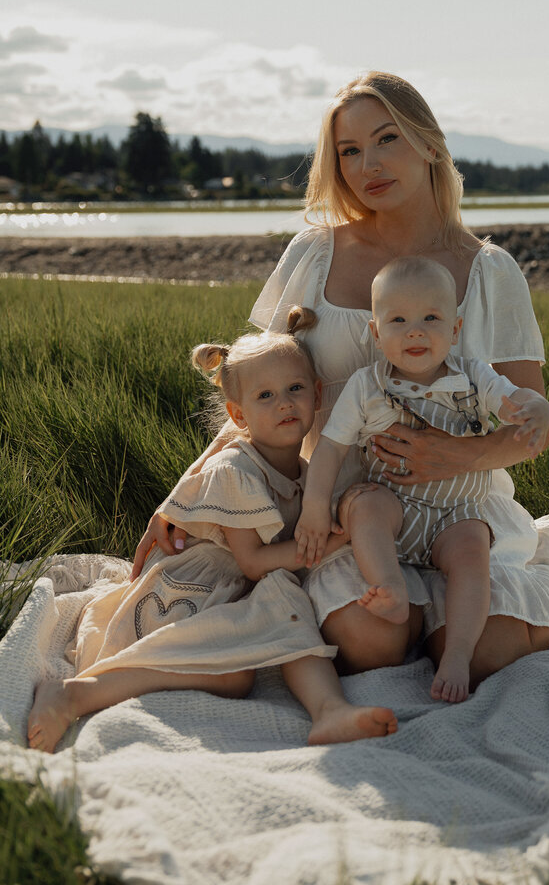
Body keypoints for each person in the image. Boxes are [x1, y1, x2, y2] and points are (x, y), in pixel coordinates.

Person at [132, 71, 549, 693]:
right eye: (349, 150)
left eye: (387, 139)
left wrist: (459, 454)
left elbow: (534, 427)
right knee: (371, 643)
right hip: (342, 514)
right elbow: (259, 390)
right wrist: (187, 492)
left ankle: (450, 626)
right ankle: (401, 616)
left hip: (461, 511)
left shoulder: (490, 271)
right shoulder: (314, 254)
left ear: (428, 144)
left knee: (488, 650)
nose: (367, 164)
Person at [27, 315, 398, 754]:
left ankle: (329, 710)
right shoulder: (235, 469)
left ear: (317, 395)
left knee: (282, 604)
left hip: (238, 588)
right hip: (194, 585)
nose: (284, 404)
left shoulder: (305, 472)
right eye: (265, 396)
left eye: (295, 389)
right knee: (234, 673)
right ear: (238, 415)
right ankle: (75, 694)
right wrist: (337, 539)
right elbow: (254, 562)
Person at [295, 255, 549, 703]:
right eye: (398, 320)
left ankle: (458, 653)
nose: (415, 331)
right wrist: (315, 506)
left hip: (455, 514)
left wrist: (538, 408)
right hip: (394, 507)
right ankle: (391, 586)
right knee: (364, 505)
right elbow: (331, 448)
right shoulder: (367, 385)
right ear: (376, 333)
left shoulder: (474, 376)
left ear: (454, 329)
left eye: (431, 318)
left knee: (473, 549)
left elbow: (516, 402)